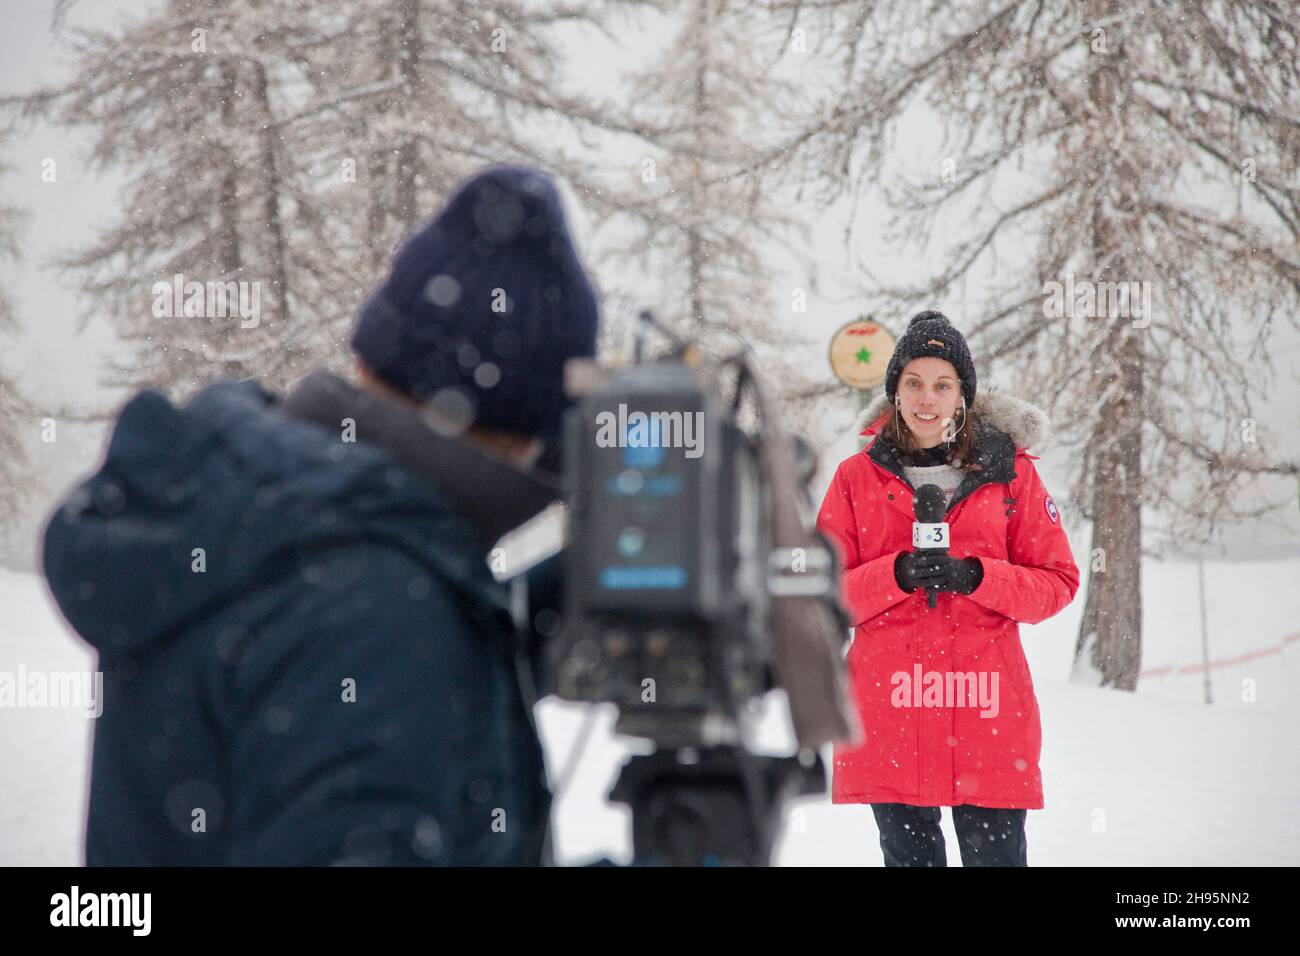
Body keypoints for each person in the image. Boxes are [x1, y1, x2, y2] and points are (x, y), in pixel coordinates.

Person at [41, 163, 599, 865]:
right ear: (528, 430)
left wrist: (561, 594)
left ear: (371, 358)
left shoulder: (265, 519)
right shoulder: (375, 609)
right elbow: (376, 676)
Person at [816, 310, 1080, 866]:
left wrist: (979, 576)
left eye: (942, 384)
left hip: (987, 718)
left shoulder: (1012, 474)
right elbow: (822, 595)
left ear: (963, 394)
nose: (926, 399)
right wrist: (896, 575)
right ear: (894, 391)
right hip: (890, 716)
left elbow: (1056, 582)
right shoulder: (854, 478)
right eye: (913, 383)